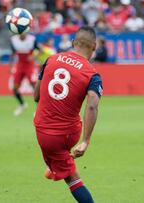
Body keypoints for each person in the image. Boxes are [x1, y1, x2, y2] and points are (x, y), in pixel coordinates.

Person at [34, 26, 103, 203]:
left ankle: (55, 163)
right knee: (61, 154)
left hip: (46, 132)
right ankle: (55, 164)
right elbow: (92, 106)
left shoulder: (51, 59)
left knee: (73, 179)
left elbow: (36, 96)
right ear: (94, 47)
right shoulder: (92, 74)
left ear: (73, 43)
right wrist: (86, 141)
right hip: (71, 132)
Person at [9, 33, 40, 116]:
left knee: (34, 86)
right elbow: (12, 53)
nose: (23, 34)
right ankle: (22, 104)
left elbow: (39, 50)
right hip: (20, 65)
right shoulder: (14, 40)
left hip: (29, 65)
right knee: (15, 88)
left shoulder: (32, 39)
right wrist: (10, 65)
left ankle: (39, 109)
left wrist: (33, 57)